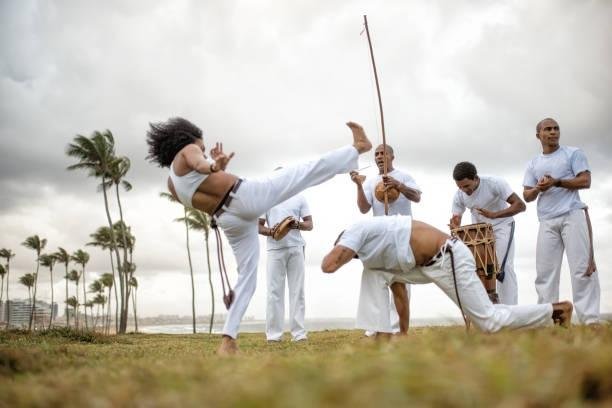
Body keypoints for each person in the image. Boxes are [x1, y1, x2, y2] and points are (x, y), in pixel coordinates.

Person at [146, 117, 372, 355]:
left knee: (247, 278)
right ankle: (357, 148)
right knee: (301, 173)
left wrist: (214, 167)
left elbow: (202, 188)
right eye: (202, 147)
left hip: (227, 219)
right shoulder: (189, 150)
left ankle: (228, 340)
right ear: (187, 139)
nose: (203, 151)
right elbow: (202, 166)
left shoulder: (172, 183)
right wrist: (213, 165)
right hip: (244, 197)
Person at [321, 215, 574, 333]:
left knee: (488, 322)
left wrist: (342, 250)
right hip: (424, 267)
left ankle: (556, 310)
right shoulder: (376, 257)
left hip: (449, 255)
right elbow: (400, 295)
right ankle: (383, 336)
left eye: (352, 253)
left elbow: (328, 265)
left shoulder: (355, 230)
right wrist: (405, 333)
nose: (354, 257)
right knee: (374, 274)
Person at [523, 117, 600, 325]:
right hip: (546, 221)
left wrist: (557, 182)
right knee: (545, 273)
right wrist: (539, 188)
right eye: (547, 129)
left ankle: (590, 321)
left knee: (582, 269)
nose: (553, 132)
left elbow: (585, 181)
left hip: (572, 215)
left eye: (556, 128)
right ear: (538, 135)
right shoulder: (533, 163)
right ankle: (549, 322)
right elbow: (526, 196)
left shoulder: (573, 153)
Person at [349, 144, 421, 336]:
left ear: (392, 156)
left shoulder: (404, 176)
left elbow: (417, 197)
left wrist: (398, 185)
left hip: (403, 233)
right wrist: (358, 185)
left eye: (383, 154)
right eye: (377, 154)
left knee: (401, 280)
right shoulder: (371, 181)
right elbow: (364, 209)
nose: (379, 157)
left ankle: (398, 327)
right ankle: (376, 326)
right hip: (379, 235)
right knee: (376, 278)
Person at [449, 161, 526, 305]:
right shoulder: (459, 194)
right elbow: (456, 217)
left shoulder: (494, 183)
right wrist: (455, 223)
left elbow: (520, 205)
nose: (464, 190)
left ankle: (511, 310)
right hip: (481, 233)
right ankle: (490, 309)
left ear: (475, 178)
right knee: (482, 270)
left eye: (466, 186)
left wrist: (494, 215)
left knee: (503, 268)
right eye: (460, 187)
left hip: (503, 225)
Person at [258, 191, 312, 342]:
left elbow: (309, 224)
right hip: (274, 250)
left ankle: (299, 335)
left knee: (297, 292)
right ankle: (274, 336)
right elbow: (259, 226)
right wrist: (272, 231)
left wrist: (297, 224)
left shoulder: (299, 197)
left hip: (296, 248)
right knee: (274, 293)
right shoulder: (266, 197)